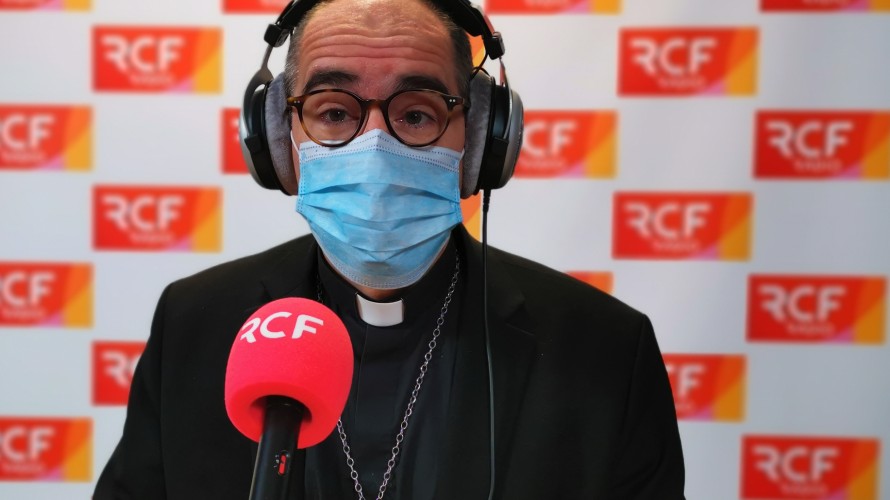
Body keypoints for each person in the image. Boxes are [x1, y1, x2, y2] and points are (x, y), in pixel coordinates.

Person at [94, 0, 685, 498]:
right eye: (333, 111)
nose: (375, 146)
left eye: (417, 114)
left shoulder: (606, 349)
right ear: (280, 141)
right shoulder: (195, 323)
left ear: (480, 140)